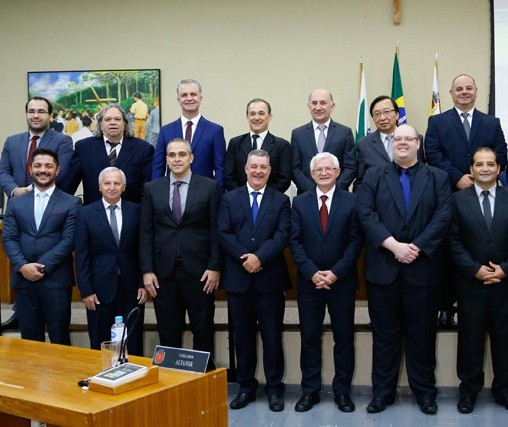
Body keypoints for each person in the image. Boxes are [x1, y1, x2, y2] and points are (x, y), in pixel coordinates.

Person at [355, 124, 454, 415]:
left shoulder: (438, 177)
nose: (402, 143)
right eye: (397, 139)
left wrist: (417, 246)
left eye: (408, 139)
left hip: (423, 271)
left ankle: (425, 393)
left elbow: (443, 215)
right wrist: (393, 245)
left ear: (418, 144)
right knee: (384, 337)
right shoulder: (373, 176)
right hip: (384, 269)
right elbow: (366, 213)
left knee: (422, 336)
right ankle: (381, 394)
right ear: (391, 145)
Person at [425, 74, 507, 327]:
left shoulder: (491, 122)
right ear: (450, 93)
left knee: (483, 243)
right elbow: (432, 153)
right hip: (451, 193)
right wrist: (458, 177)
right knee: (452, 249)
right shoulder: (437, 121)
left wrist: (483, 175)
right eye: (458, 89)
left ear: (476, 91)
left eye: (468, 88)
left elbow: (501, 153)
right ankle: (448, 305)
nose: (464, 92)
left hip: (486, 189)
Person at [218, 149, 291, 412]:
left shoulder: (281, 200)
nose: (258, 171)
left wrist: (259, 257)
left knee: (272, 337)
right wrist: (244, 257)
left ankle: (274, 389)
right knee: (243, 338)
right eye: (254, 166)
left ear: (270, 171)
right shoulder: (228, 199)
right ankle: (246, 387)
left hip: (269, 279)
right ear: (245, 169)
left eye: (263, 167)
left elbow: (282, 235)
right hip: (238, 280)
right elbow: (223, 233)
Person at [290, 152, 362, 413]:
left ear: (337, 171)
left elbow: (356, 241)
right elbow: (295, 242)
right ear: (311, 174)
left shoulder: (352, 201)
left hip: (341, 282)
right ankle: (310, 391)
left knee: (343, 338)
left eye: (328, 169)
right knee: (309, 337)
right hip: (310, 283)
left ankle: (342, 392)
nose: (323, 173)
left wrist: (335, 273)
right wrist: (312, 272)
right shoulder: (299, 203)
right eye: (318, 169)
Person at [140, 138, 221, 356]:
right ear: (166, 159)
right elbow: (146, 232)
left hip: (200, 272)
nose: (177, 159)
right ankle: (171, 381)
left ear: (191, 158)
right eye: (172, 155)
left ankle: (202, 380)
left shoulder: (210, 187)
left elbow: (216, 230)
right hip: (162, 273)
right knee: (168, 331)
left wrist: (215, 266)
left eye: (182, 154)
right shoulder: (151, 189)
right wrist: (147, 271)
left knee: (202, 328)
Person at [0, 96, 73, 331]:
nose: (36, 115)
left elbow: (60, 171)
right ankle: (19, 312)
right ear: (26, 114)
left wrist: (34, 190)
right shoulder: (12, 141)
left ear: (50, 115)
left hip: (49, 203)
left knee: (59, 335)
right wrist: (16, 192)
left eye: (41, 111)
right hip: (19, 205)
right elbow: (3, 172)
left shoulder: (62, 140)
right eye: (31, 111)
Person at [447, 147, 508, 413]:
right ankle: (469, 391)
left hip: (505, 284)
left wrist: (504, 269)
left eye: (490, 164)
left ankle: (503, 389)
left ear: (499, 169)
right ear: (471, 170)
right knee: (470, 340)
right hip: (471, 283)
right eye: (479, 164)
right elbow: (452, 241)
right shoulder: (457, 200)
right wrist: (474, 269)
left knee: (505, 339)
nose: (485, 168)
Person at [1, 148, 81, 344]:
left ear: (57, 170)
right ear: (30, 169)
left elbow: (69, 240)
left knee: (60, 338)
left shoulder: (72, 202)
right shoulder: (16, 203)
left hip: (56, 280)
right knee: (29, 340)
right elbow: (9, 237)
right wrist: (22, 266)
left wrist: (41, 265)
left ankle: (62, 376)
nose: (42, 170)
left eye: (48, 166)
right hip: (24, 279)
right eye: (37, 165)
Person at [74, 167, 147, 355]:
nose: (112, 187)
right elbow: (82, 255)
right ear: (99, 187)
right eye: (107, 183)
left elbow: (143, 249)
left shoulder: (137, 211)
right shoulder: (85, 214)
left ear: (124, 186)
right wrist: (86, 290)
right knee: (100, 341)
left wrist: (142, 283)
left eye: (116, 183)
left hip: (132, 289)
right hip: (98, 290)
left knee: (134, 341)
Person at [60, 104, 154, 205]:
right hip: (94, 215)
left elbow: (147, 190)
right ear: (100, 124)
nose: (112, 123)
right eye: (107, 119)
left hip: (132, 216)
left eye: (117, 119)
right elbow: (68, 187)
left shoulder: (143, 149)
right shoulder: (83, 148)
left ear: (125, 124)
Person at [151, 79, 226, 189]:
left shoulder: (215, 131)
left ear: (201, 99)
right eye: (184, 95)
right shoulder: (166, 131)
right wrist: (156, 193)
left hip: (204, 195)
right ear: (178, 100)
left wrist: (216, 194)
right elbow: (158, 167)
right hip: (173, 194)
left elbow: (220, 169)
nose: (189, 98)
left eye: (193, 94)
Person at [291, 89, 357, 194]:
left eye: (323, 103)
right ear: (309, 106)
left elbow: (350, 167)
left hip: (338, 196)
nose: (318, 107)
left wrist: (333, 190)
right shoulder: (298, 134)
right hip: (307, 196)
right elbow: (295, 168)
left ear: (332, 106)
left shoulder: (344, 132)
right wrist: (314, 191)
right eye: (314, 103)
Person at [224, 98, 291, 193]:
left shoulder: (282, 146)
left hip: (270, 203)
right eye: (252, 114)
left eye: (261, 113)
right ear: (247, 117)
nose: (256, 117)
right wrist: (243, 197)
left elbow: (284, 180)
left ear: (270, 117)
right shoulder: (235, 143)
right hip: (239, 202)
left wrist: (263, 198)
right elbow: (228, 176)